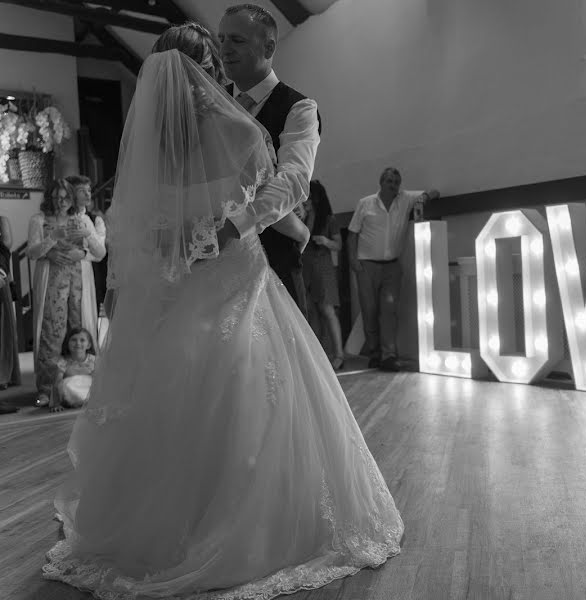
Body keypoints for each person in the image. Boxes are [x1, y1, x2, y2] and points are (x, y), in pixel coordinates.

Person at [42, 23, 403, 599]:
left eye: (237, 41)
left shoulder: (151, 148)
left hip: (177, 290)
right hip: (239, 281)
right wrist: (300, 229)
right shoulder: (242, 132)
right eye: (221, 49)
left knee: (176, 402)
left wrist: (183, 247)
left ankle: (163, 525)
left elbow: (148, 231)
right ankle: (253, 526)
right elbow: (271, 193)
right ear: (206, 72)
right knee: (253, 397)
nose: (227, 57)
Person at [218, 3, 322, 315]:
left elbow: (292, 180)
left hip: (273, 261)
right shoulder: (212, 101)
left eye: (236, 41)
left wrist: (234, 227)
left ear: (269, 46)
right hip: (215, 268)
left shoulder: (298, 108)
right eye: (221, 39)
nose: (224, 50)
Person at [347, 168, 439, 371]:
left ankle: (389, 356)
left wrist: (424, 197)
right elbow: (352, 234)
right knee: (369, 311)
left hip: (392, 267)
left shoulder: (405, 199)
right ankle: (374, 354)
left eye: (396, 181)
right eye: (389, 181)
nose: (393, 184)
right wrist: (353, 261)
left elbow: (434, 191)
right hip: (367, 266)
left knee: (389, 311)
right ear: (381, 182)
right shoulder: (366, 203)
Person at [25, 179, 104, 407]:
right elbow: (32, 252)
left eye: (66, 197)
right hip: (52, 282)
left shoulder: (82, 219)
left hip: (79, 281)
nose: (62, 202)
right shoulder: (39, 220)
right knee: (51, 332)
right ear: (50, 197)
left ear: (71, 199)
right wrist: (52, 240)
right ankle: (48, 388)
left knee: (79, 329)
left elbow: (99, 253)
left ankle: (83, 384)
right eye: (57, 197)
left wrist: (85, 250)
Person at [302, 180, 344, 370]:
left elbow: (338, 245)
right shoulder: (302, 217)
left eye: (309, 196)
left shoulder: (328, 219)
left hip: (323, 267)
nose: (306, 199)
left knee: (327, 310)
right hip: (305, 267)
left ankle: (339, 355)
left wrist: (325, 241)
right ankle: (318, 356)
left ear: (316, 197)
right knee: (310, 312)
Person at [66, 175, 108, 313]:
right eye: (81, 190)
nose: (87, 194)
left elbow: (100, 254)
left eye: (88, 190)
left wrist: (84, 253)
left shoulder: (95, 220)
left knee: (87, 315)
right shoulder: (61, 217)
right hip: (64, 274)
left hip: (88, 275)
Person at [48, 327, 96, 412]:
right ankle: (82, 401)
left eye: (82, 340)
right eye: (73, 340)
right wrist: (56, 404)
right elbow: (56, 384)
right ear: (67, 344)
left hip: (89, 392)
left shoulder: (94, 361)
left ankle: (90, 400)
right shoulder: (63, 362)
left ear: (89, 345)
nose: (77, 343)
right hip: (70, 394)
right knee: (67, 384)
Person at [0, 214, 21, 391]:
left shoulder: (2, 220)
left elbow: (5, 246)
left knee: (3, 328)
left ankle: (3, 375)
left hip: (1, 278)